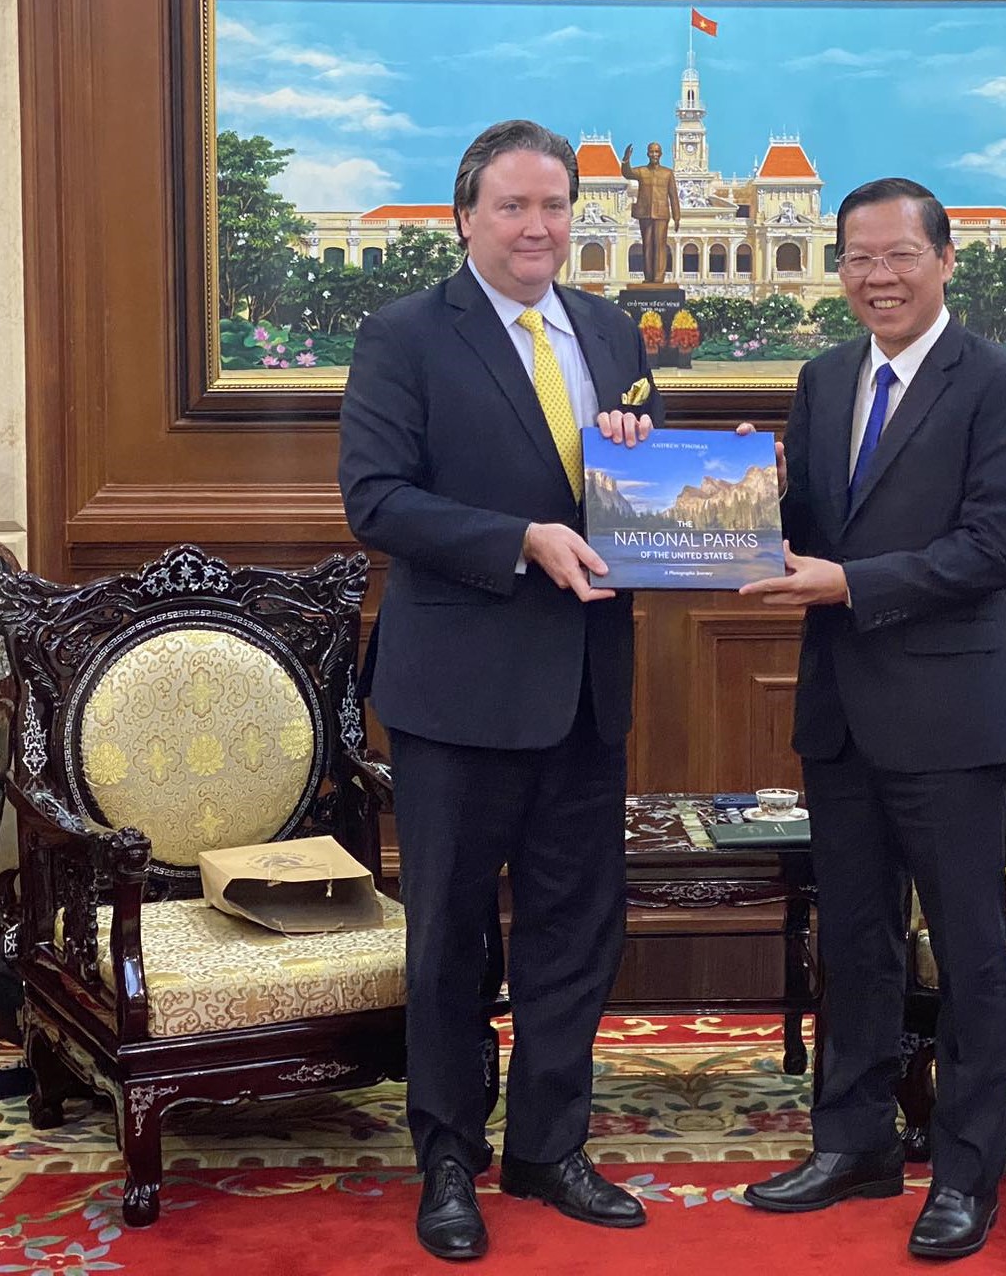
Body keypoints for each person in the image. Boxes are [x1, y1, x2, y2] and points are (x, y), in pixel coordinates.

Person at [339, 118, 664, 1263]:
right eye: (514, 207)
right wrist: (521, 536)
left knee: (576, 931)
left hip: (586, 687)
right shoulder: (403, 336)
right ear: (465, 216)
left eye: (555, 206)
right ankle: (446, 1157)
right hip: (460, 691)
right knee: (451, 940)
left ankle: (549, 1147)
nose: (539, 227)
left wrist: (634, 457)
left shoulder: (616, 329)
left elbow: (640, 504)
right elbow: (375, 500)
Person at [738, 177, 1006, 1261]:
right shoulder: (823, 380)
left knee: (968, 955)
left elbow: (991, 550)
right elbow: (806, 527)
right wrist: (746, 490)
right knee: (855, 946)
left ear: (944, 259)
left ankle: (965, 1173)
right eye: (857, 259)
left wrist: (845, 586)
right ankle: (853, 1143)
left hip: (950, 715)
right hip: (841, 714)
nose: (878, 277)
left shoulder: (1003, 385)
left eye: (899, 256)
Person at [620, 141, 681, 284]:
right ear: (648, 154)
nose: (654, 154)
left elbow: (673, 195)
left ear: (660, 154)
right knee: (647, 245)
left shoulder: (667, 173)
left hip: (661, 214)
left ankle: (659, 277)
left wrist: (677, 217)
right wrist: (626, 159)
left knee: (660, 245)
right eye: (652, 152)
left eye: (656, 152)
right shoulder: (642, 171)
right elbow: (627, 172)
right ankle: (648, 276)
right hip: (645, 212)